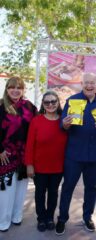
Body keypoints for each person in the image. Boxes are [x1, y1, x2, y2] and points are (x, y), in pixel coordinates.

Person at [55, 72, 96, 235]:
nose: (89, 85)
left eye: (92, 83)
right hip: (74, 155)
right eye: (86, 83)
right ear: (82, 83)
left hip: (93, 154)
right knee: (68, 187)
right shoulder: (72, 101)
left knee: (91, 188)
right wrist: (64, 124)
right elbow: (63, 126)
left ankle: (87, 217)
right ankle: (62, 218)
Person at [24, 91, 67, 232]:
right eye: (47, 102)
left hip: (58, 166)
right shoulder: (36, 121)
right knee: (40, 193)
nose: (50, 105)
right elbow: (29, 145)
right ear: (43, 104)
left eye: (53, 101)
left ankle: (49, 217)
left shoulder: (64, 122)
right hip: (39, 166)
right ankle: (41, 218)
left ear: (58, 102)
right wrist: (29, 165)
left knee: (53, 193)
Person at [0, 77, 37, 232]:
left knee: (21, 188)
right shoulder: (1, 106)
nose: (15, 90)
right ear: (7, 89)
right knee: (6, 191)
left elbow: (38, 127)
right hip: (5, 155)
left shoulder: (30, 107)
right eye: (12, 87)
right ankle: (3, 221)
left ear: (23, 90)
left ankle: (17, 216)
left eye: (19, 87)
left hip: (24, 154)